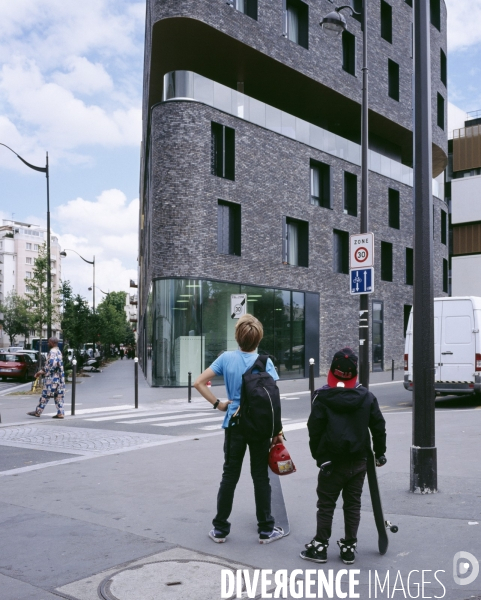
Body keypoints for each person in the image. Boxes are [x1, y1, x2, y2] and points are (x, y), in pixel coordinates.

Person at [194, 314, 285, 545]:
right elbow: (273, 399)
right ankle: (266, 530)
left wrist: (218, 404)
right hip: (260, 426)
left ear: (237, 336)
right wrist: (277, 430)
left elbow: (198, 382)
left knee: (230, 475)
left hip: (234, 423)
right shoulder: (266, 362)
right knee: (260, 477)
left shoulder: (226, 358)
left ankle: (220, 529)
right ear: (258, 338)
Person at [300, 347, 386, 565]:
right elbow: (378, 426)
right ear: (355, 373)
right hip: (359, 461)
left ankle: (320, 546)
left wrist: (319, 457)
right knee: (353, 503)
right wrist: (380, 452)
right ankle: (349, 547)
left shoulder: (322, 398)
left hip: (331, 462)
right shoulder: (367, 397)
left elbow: (314, 429)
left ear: (332, 371)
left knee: (326, 504)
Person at [27, 337, 66, 419]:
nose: (48, 344)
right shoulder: (59, 352)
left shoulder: (52, 352)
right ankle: (60, 413)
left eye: (49, 342)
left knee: (45, 395)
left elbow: (51, 365)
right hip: (60, 379)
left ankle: (38, 412)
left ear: (52, 342)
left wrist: (40, 372)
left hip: (52, 379)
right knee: (59, 396)